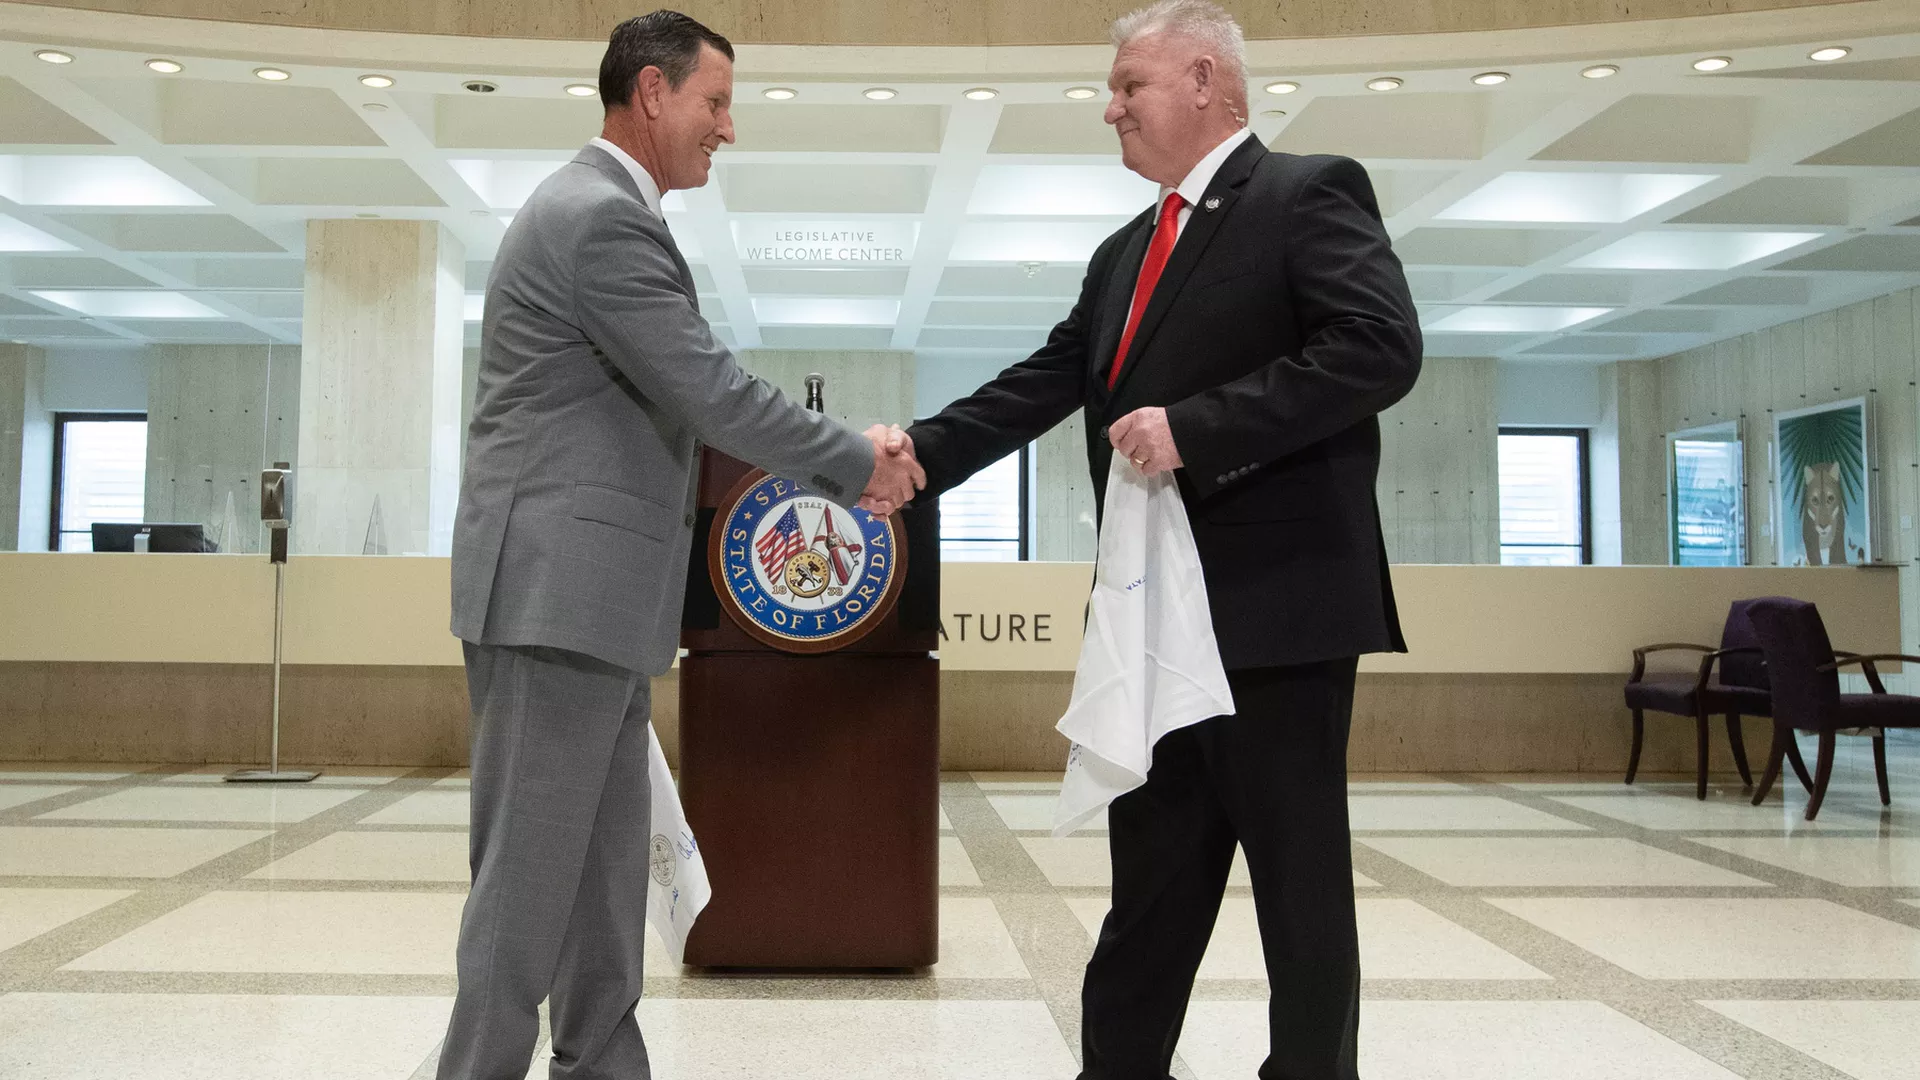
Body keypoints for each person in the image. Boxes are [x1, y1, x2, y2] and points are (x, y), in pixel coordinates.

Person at [891, 2, 1421, 1076]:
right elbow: (1046, 381)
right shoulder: (1124, 251)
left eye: (1129, 86)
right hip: (1149, 624)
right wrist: (913, 458)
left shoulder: (1307, 192)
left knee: (1298, 894)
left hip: (1277, 615)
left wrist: (1197, 428)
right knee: (1153, 888)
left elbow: (1379, 349)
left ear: (1205, 79)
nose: (1110, 108)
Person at [443, 11, 922, 1079]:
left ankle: (604, 1066)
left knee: (607, 874)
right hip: (555, 601)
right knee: (526, 883)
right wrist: (856, 460)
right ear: (651, 93)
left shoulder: (604, 212)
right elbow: (707, 391)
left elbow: (673, 407)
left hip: (592, 607)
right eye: (715, 103)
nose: (727, 129)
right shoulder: (598, 217)